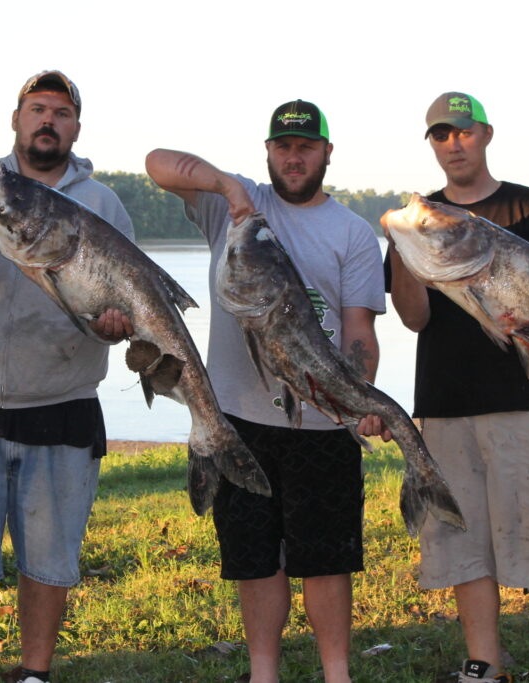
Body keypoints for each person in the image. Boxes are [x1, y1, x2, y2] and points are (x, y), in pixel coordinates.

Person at [146, 100, 387, 683]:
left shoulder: (353, 232)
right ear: (269, 152)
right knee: (254, 561)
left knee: (326, 562)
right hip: (238, 420)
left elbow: (359, 330)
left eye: (306, 147)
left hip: (324, 421)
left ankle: (337, 674)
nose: (294, 157)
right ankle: (263, 674)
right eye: (283, 146)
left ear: (327, 153)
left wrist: (360, 398)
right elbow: (157, 163)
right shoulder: (234, 208)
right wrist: (228, 186)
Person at [384, 92, 529, 683]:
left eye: (463, 132)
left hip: (528, 405)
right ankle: (483, 665)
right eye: (440, 134)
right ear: (431, 144)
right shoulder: (419, 222)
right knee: (463, 543)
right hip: (446, 405)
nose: (453, 144)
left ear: (485, 135)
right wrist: (404, 254)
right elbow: (414, 318)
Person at [0, 70, 134, 683]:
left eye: (61, 113)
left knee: (50, 558)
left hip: (64, 405)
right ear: (15, 120)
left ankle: (35, 673)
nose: (48, 121)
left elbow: (114, 308)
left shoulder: (103, 204)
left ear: (76, 128)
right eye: (37, 109)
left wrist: (111, 326)